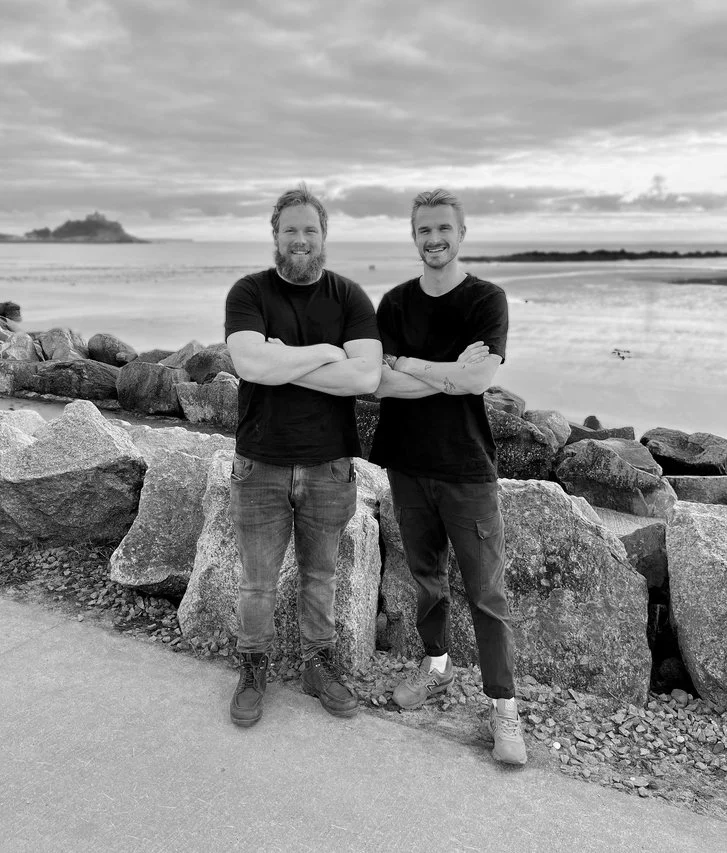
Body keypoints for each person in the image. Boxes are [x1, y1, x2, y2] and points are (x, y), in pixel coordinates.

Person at [370, 188, 527, 765]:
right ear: (413, 236)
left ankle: (504, 709)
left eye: (443, 229)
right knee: (425, 577)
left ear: (462, 234)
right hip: (407, 463)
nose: (434, 240)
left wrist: (411, 364)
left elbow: (480, 378)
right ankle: (435, 666)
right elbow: (377, 382)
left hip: (465, 467)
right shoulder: (393, 304)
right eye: (423, 231)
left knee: (487, 593)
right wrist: (443, 373)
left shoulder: (487, 299)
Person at [224, 184, 382, 727]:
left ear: (323, 236)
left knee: (321, 577)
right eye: (289, 229)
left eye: (309, 230)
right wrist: (322, 353)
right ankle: (253, 667)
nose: (300, 239)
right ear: (275, 235)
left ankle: (318, 665)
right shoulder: (249, 292)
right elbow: (251, 366)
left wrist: (281, 357)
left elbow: (364, 376)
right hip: (260, 463)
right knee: (256, 581)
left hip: (329, 465)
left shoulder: (350, 298)